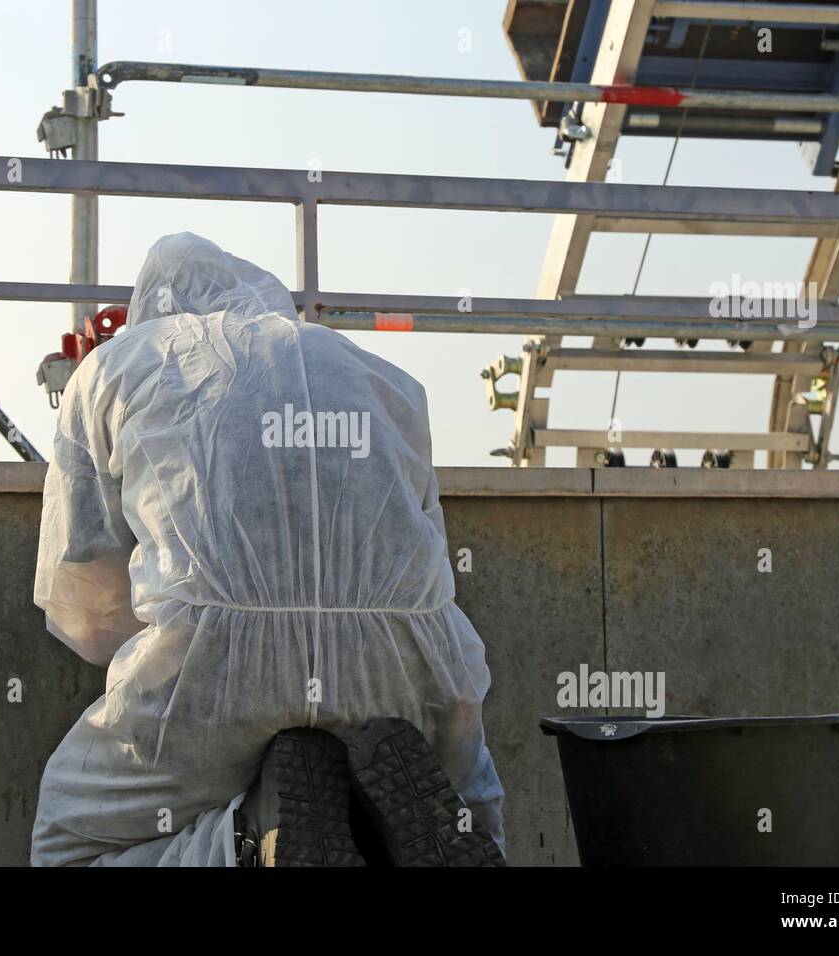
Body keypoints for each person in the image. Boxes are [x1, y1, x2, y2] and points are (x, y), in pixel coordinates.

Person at [31, 232, 504, 866]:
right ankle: (409, 833)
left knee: (70, 847)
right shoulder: (384, 377)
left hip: (210, 664)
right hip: (411, 669)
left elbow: (85, 602)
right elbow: (426, 549)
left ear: (149, 310)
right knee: (467, 802)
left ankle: (245, 846)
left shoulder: (115, 369)